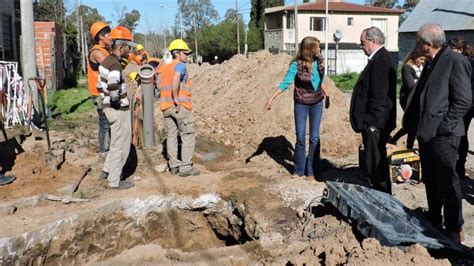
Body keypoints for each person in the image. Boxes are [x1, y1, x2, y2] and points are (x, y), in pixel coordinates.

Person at [403, 24, 472, 243]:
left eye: (418, 41)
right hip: (427, 135)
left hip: (444, 136)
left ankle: (454, 229)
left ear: (428, 44)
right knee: (431, 181)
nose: (415, 45)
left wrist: (445, 126)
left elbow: (463, 100)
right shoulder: (433, 62)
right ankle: (434, 220)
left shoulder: (455, 61)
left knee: (448, 183)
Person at [265, 36, 327, 181]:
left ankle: (311, 171)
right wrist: (271, 99)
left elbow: (320, 81)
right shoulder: (296, 65)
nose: (319, 49)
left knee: (314, 137)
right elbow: (285, 82)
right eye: (317, 47)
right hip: (301, 103)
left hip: (317, 103)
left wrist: (327, 95)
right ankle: (299, 169)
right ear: (309, 48)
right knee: (300, 138)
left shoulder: (319, 62)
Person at [350, 26, 397, 194]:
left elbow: (380, 96)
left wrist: (371, 122)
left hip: (375, 124)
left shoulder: (381, 60)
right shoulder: (379, 59)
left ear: (373, 41)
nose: (361, 46)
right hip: (374, 123)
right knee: (374, 162)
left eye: (363, 42)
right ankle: (379, 193)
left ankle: (383, 197)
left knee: (377, 164)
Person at [98, 26, 136, 189]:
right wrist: (116, 102)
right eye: (128, 47)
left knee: (115, 142)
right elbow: (113, 85)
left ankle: (107, 170)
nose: (130, 50)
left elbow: (101, 85)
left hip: (108, 106)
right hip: (117, 109)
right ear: (121, 47)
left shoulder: (107, 60)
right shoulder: (115, 65)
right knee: (122, 144)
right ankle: (115, 180)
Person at [159, 39, 200, 177]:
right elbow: (176, 78)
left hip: (166, 107)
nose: (187, 56)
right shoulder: (180, 65)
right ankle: (186, 167)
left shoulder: (165, 67)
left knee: (171, 136)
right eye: (185, 53)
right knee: (187, 135)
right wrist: (176, 97)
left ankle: (174, 166)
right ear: (177, 53)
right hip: (179, 106)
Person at [447, 37, 474, 179]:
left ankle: (459, 164)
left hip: (465, 103)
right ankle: (460, 165)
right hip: (467, 102)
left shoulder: (462, 63)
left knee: (460, 134)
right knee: (462, 134)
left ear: (461, 50)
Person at [389, 49, 425, 149]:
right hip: (408, 99)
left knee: (413, 124)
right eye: (421, 59)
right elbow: (411, 85)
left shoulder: (421, 67)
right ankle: (405, 145)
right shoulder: (407, 67)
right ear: (414, 58)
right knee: (412, 124)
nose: (422, 61)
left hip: (416, 99)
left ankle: (400, 143)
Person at [87, 21, 111, 157]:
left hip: (107, 90)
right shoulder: (96, 52)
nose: (111, 37)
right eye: (109, 34)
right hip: (99, 93)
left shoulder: (106, 51)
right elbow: (110, 65)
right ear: (101, 36)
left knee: (109, 121)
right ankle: (103, 151)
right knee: (105, 122)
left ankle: (109, 148)